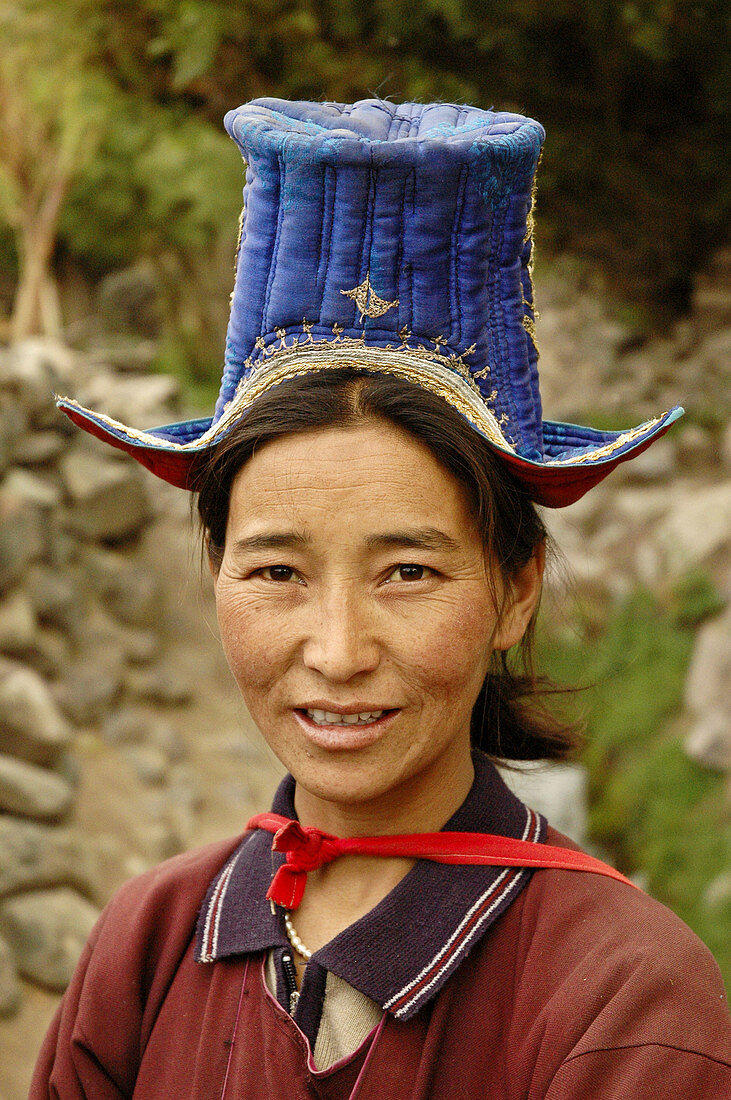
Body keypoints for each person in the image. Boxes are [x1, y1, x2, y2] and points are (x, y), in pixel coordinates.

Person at [32, 99, 729, 1098]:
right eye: (277, 570)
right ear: (217, 571)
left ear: (513, 592)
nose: (337, 648)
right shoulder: (147, 943)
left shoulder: (624, 1000)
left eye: (407, 570)